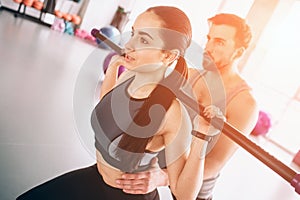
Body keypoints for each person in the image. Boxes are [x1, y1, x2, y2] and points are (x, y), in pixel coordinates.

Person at [16, 6, 224, 200]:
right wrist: (114, 67)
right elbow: (108, 109)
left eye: (143, 40)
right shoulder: (129, 77)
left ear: (168, 55)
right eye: (133, 34)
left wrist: (202, 136)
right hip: (96, 178)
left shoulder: (172, 113)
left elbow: (184, 194)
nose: (128, 45)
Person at [114, 13, 259, 200]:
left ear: (238, 52)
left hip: (194, 187)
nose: (208, 47)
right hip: (163, 166)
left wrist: (162, 178)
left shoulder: (244, 103)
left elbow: (215, 162)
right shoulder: (190, 76)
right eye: (209, 38)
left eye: (219, 42)